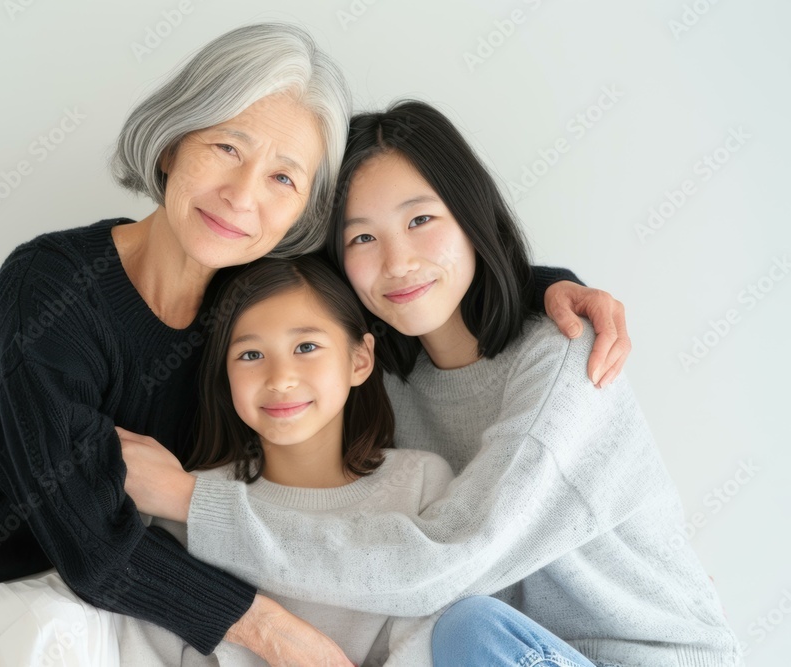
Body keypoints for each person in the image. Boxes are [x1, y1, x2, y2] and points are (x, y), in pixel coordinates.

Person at [0, 23, 627, 666]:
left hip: (136, 611)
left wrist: (541, 288)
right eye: (226, 148)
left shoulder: (255, 294)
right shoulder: (48, 288)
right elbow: (93, 548)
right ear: (173, 142)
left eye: (284, 178)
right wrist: (276, 635)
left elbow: (402, 279)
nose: (244, 197)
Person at [122, 102, 742, 667]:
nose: (397, 262)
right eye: (362, 237)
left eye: (421, 220)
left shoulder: (564, 361)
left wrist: (189, 501)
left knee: (467, 627)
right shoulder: (386, 380)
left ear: (473, 219)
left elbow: (439, 565)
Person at [113, 254, 461, 665]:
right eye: (250, 355)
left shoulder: (420, 483)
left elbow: (437, 637)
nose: (280, 378)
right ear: (225, 375)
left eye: (307, 346)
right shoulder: (181, 504)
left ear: (359, 359)